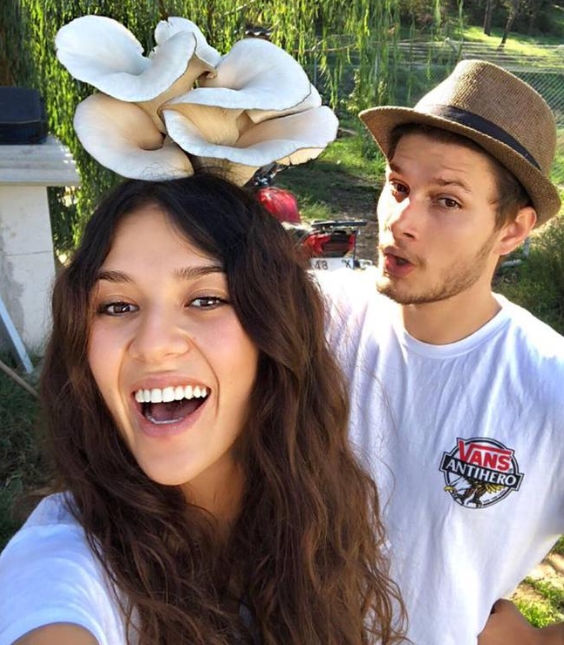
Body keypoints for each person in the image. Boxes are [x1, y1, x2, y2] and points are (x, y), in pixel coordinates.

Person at [0, 174, 404, 645]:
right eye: (117, 306)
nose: (153, 346)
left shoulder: (322, 523)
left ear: (274, 332)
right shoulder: (64, 562)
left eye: (205, 300)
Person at [316, 59, 564, 645]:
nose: (401, 221)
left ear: (512, 230)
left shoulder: (548, 384)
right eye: (399, 187)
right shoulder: (316, 320)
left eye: (447, 201)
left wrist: (535, 641)